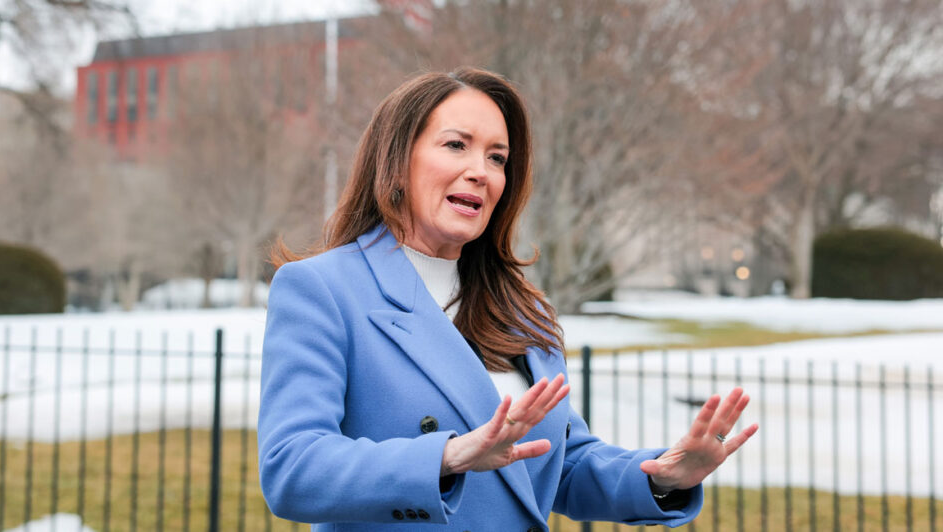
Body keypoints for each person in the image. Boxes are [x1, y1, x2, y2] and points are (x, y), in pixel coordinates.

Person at [257, 67, 758, 531]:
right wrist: (447, 457)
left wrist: (662, 476)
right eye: (457, 145)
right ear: (395, 158)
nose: (482, 171)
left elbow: (562, 464)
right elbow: (292, 467)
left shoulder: (522, 310)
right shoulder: (323, 288)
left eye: (497, 157)